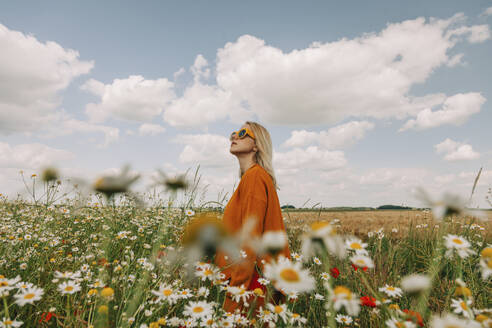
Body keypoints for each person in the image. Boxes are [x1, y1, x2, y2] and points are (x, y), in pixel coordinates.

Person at [215, 121, 290, 315]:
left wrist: (237, 288)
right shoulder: (253, 177)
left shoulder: (255, 177)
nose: (234, 137)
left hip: (251, 282)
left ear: (257, 145)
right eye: (233, 133)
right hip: (253, 277)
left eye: (242, 133)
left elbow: (251, 238)